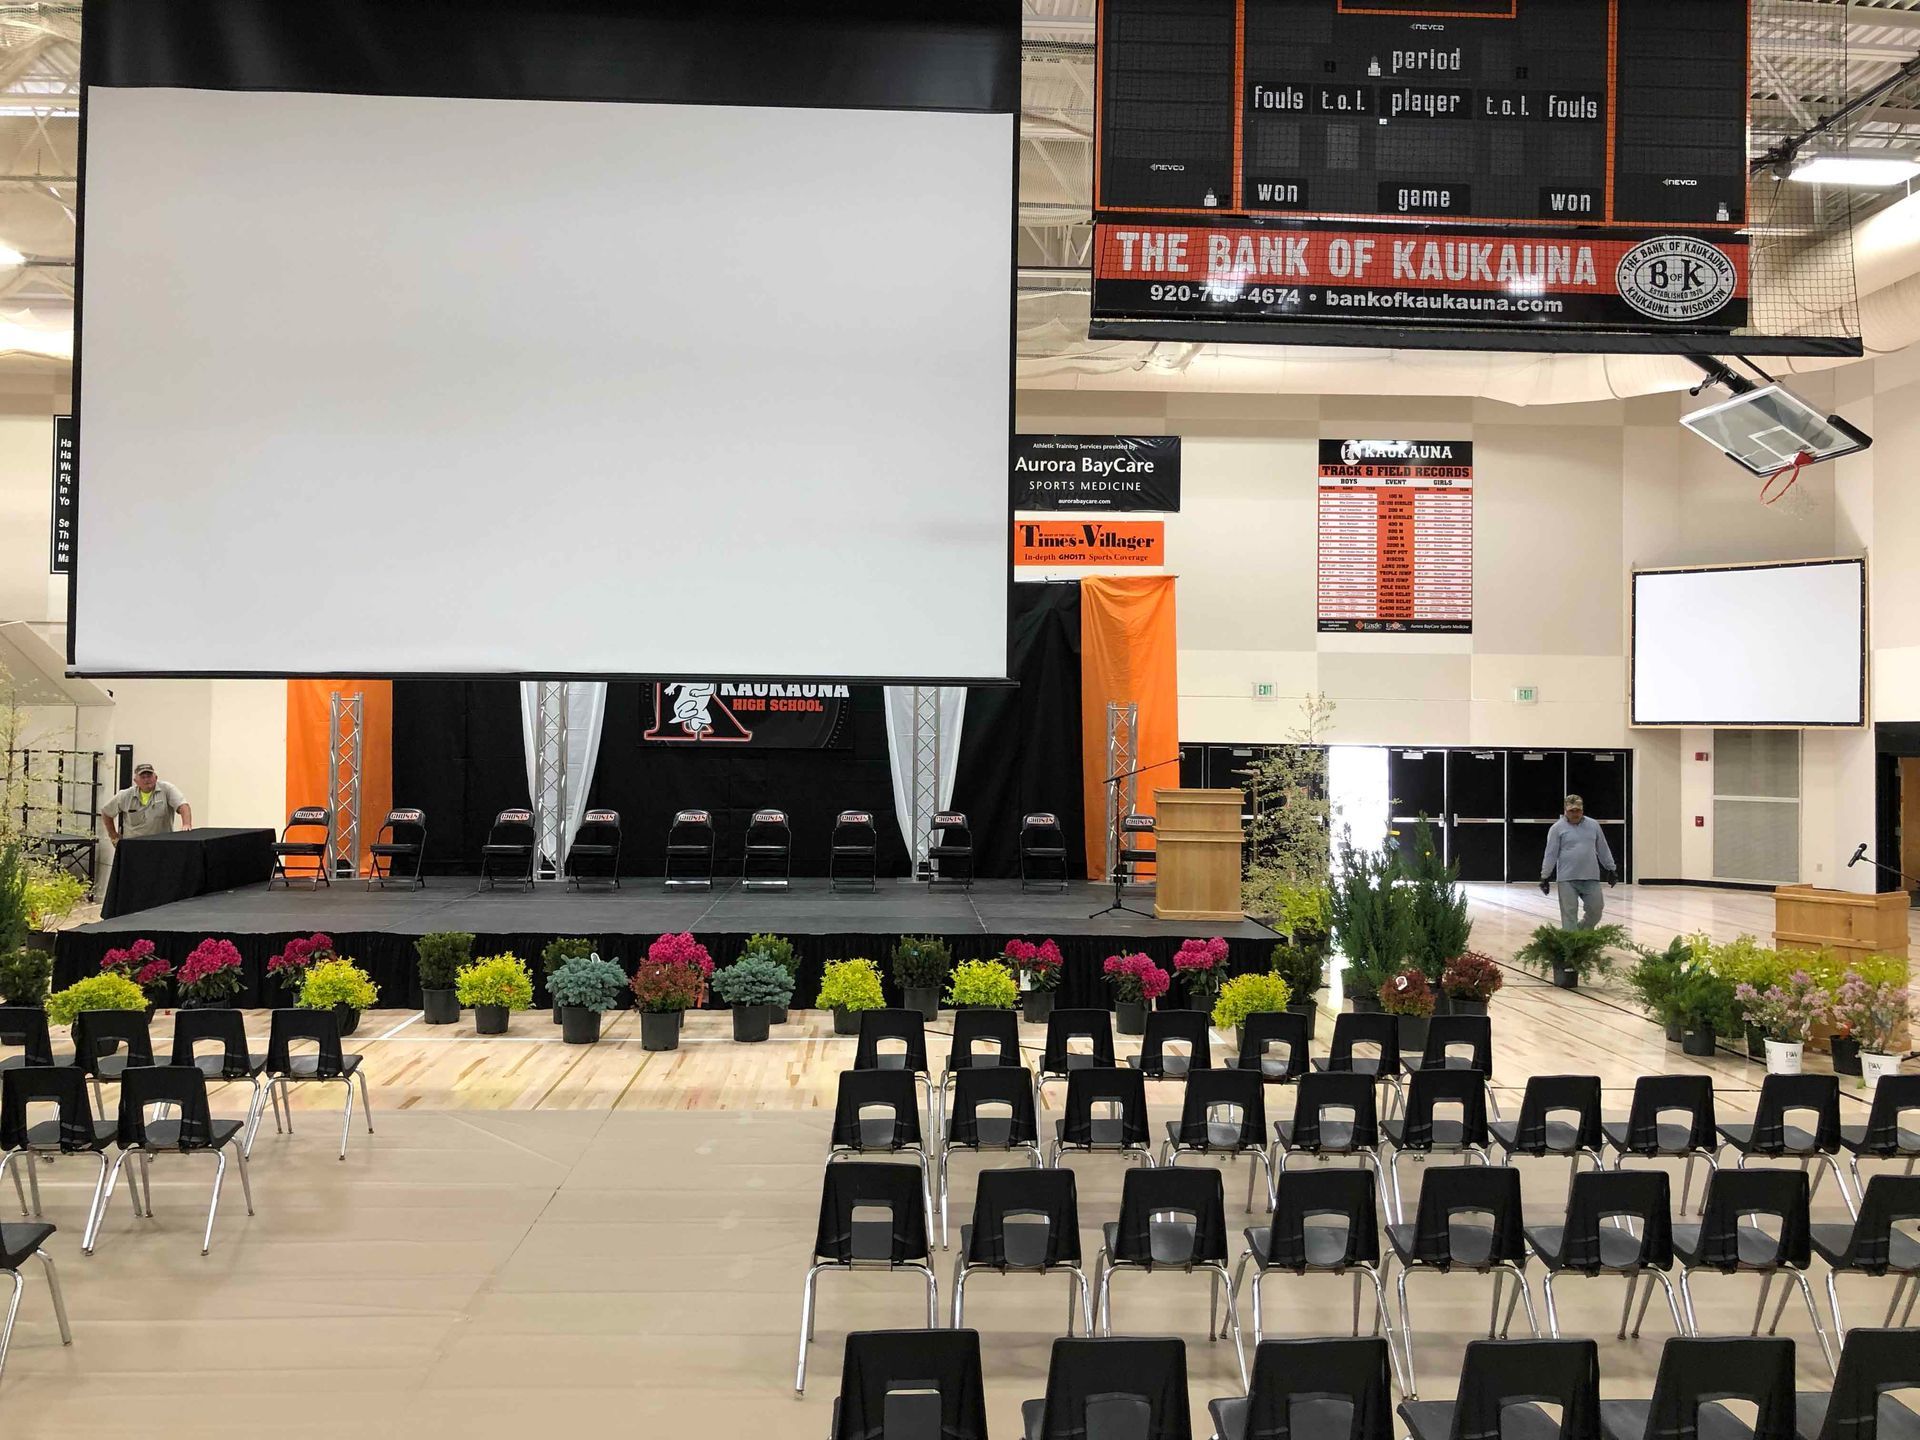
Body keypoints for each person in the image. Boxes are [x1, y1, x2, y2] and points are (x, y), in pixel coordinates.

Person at [1539, 793, 1616, 930]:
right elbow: (1550, 854)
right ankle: (1571, 946)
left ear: (1582, 810)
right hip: (1567, 879)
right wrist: (1545, 876)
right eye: (1572, 811)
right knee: (1569, 914)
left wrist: (1611, 868)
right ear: (1565, 811)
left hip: (1590, 876)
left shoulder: (1593, 825)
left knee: (1596, 910)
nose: (1575, 814)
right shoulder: (1557, 829)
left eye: (1578, 810)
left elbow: (1603, 848)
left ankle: (1581, 934)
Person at [101, 762, 192, 847]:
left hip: (162, 845)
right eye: (143, 777)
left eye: (149, 776)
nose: (146, 779)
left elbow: (183, 806)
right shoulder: (125, 795)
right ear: (135, 781)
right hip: (134, 847)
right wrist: (113, 836)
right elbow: (106, 813)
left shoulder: (167, 789)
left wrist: (186, 825)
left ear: (156, 777)